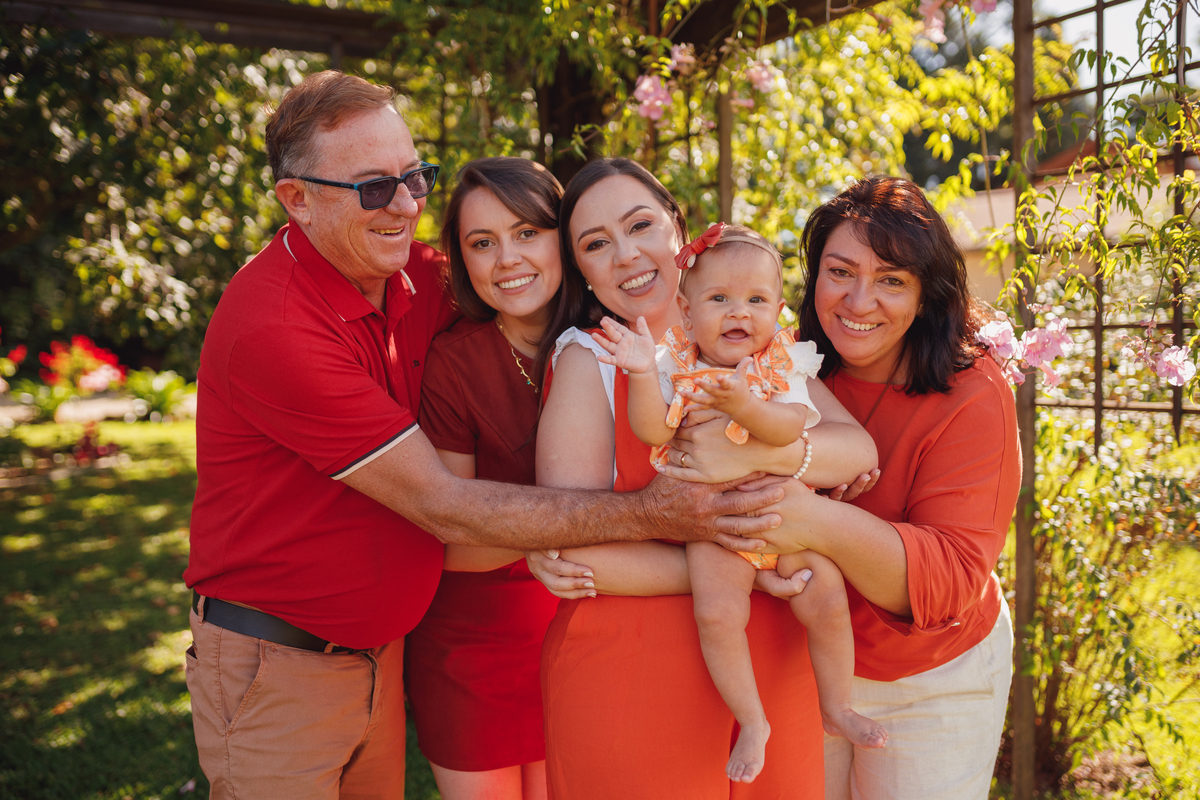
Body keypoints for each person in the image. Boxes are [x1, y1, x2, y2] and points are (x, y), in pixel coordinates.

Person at [183, 72, 784, 799]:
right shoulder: (275, 326)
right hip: (281, 654)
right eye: (376, 188)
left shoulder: (421, 278)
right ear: (297, 198)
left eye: (414, 178)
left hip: (390, 644)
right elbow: (441, 504)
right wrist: (652, 517)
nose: (404, 206)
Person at [652, 176, 1020, 800]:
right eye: (839, 271)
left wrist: (805, 515)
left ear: (927, 295)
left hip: (927, 677)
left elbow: (951, 581)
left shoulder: (972, 392)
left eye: (891, 281)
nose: (858, 300)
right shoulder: (784, 362)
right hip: (798, 655)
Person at [530, 158, 880, 799]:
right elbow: (574, 548)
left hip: (772, 659)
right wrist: (757, 567)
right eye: (596, 244)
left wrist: (764, 460)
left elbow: (853, 448)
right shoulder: (592, 361)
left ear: (679, 233)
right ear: (579, 268)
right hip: (635, 667)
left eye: (640, 225)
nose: (626, 254)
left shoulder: (763, 349)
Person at [405, 157, 571, 800]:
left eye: (527, 232)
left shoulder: (608, 344)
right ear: (462, 260)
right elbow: (456, 541)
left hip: (582, 632)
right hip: (471, 648)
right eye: (483, 242)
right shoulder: (454, 363)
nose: (508, 259)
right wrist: (595, 523)